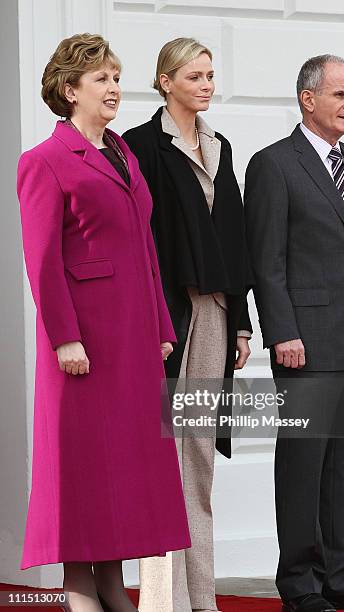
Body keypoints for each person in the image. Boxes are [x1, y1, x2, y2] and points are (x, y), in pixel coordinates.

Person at [17, 33, 190, 612]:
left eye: (117, 78)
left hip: (132, 343)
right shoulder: (42, 162)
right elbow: (41, 265)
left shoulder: (122, 151)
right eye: (102, 80)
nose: (115, 88)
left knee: (125, 476)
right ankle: (83, 592)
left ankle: (114, 590)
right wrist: (65, 338)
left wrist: (163, 326)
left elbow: (146, 249)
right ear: (70, 91)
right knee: (85, 476)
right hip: (83, 346)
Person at [244, 54, 344, 612]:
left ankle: (343, 580)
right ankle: (301, 586)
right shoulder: (273, 165)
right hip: (304, 344)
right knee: (304, 468)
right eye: (340, 95)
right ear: (308, 98)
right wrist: (281, 330)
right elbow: (267, 261)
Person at [122, 37, 254, 612]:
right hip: (166, 317)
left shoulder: (220, 145)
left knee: (197, 454)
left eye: (210, 75)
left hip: (216, 313)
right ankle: (162, 599)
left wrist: (243, 323)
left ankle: (201, 597)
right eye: (195, 75)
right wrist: (150, 324)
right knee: (162, 456)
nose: (207, 84)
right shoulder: (138, 148)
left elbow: (235, 239)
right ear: (165, 80)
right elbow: (138, 246)